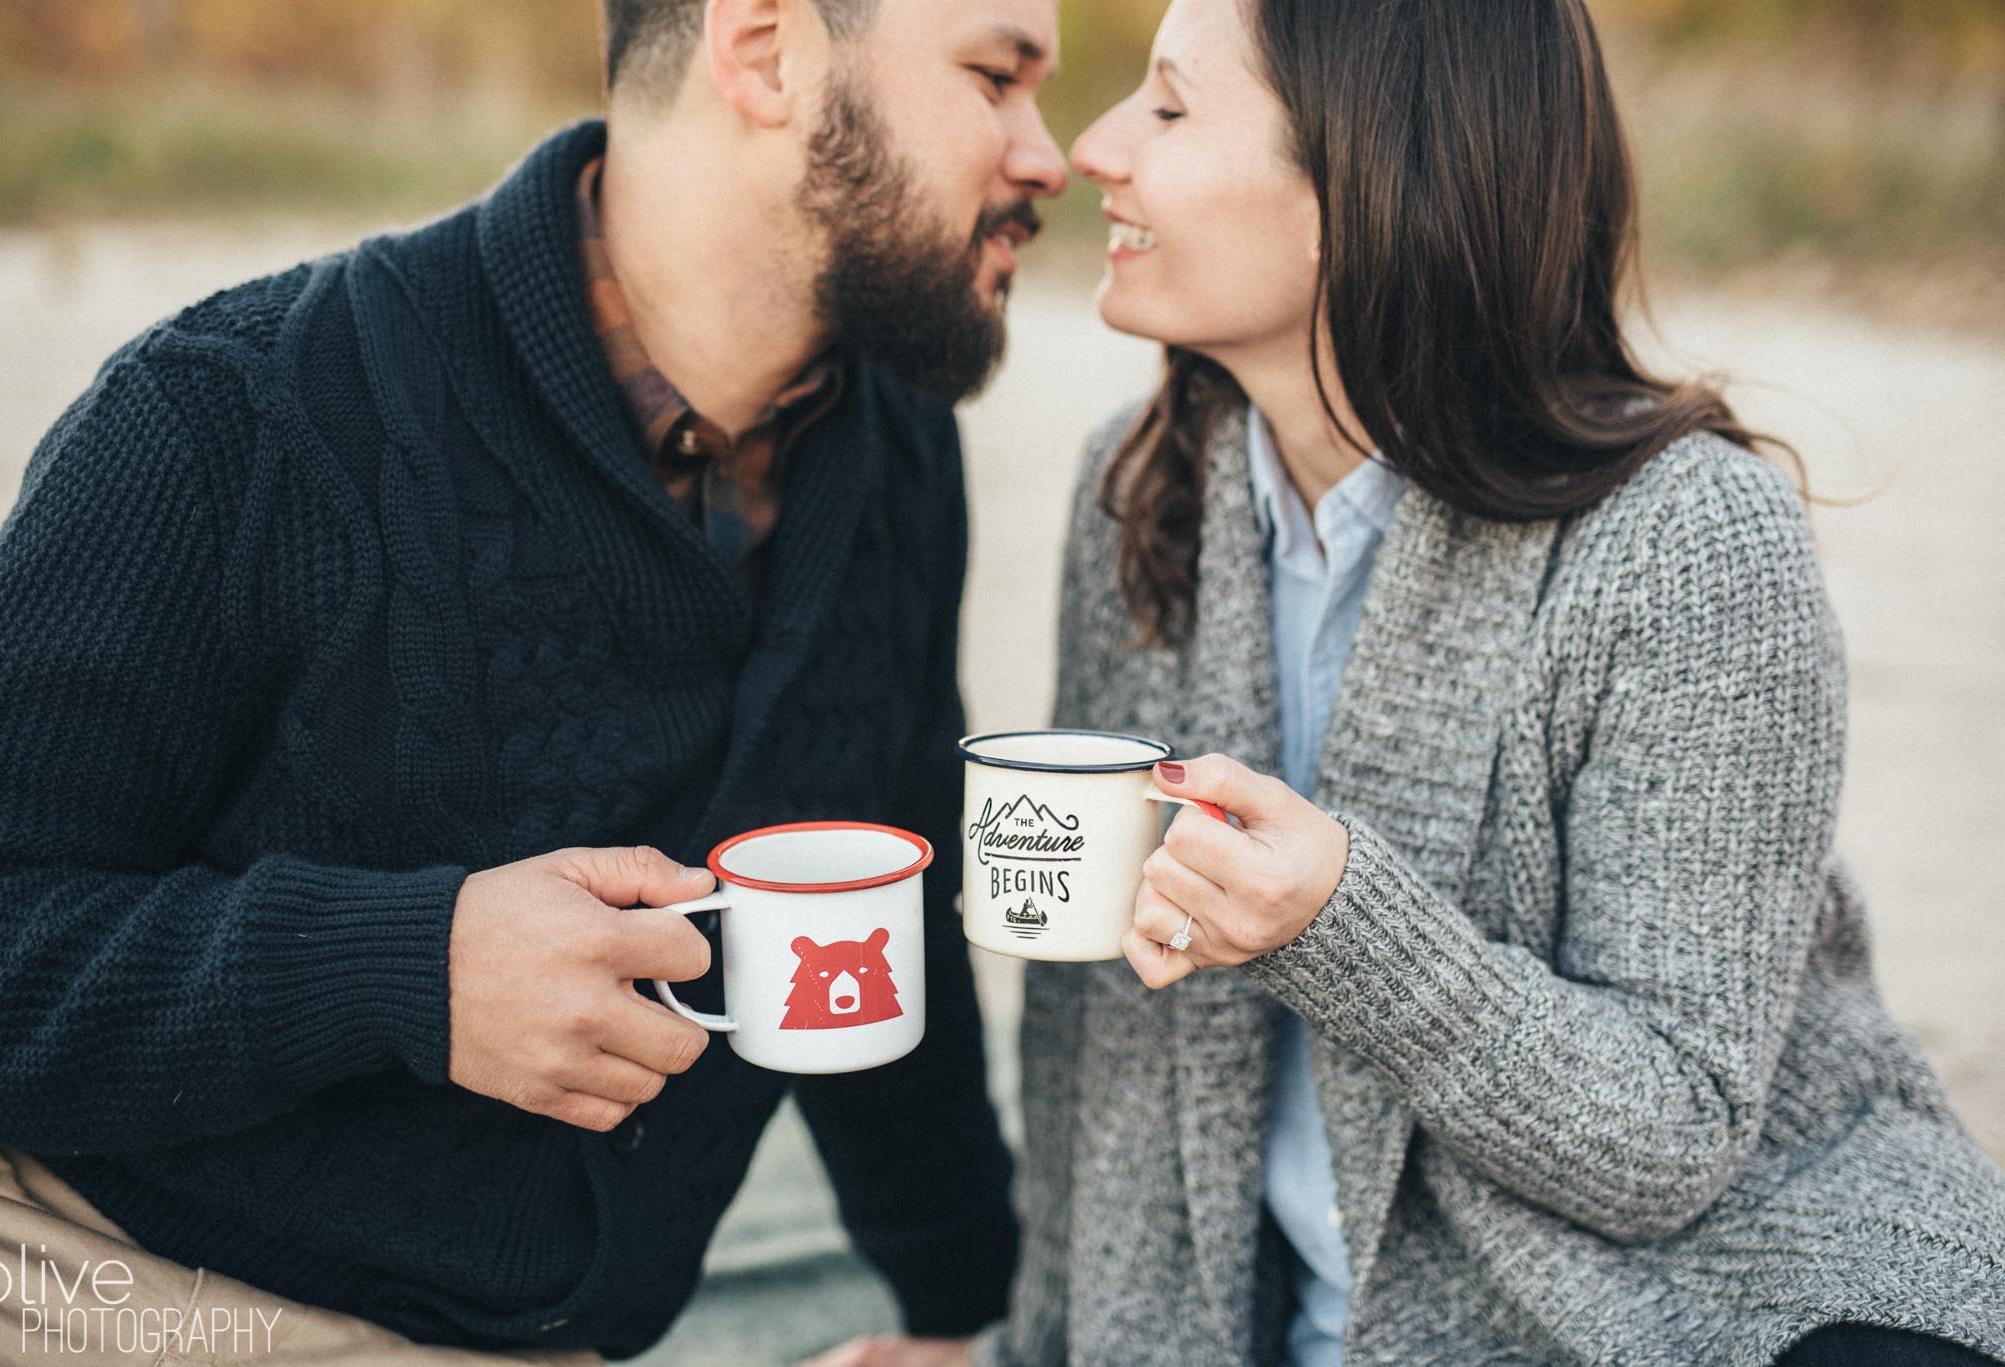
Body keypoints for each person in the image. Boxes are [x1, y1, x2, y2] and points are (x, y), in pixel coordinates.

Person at [820, 0, 2005, 1364]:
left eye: (1170, 105)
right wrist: (1030, 1349)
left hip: (1716, 1302)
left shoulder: (1689, 539)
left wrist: (1336, 922)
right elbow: (1103, 1037)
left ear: (1360, 180)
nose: (1095, 148)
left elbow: (1669, 1138)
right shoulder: (1140, 492)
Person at [0, 0, 1068, 1361]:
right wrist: (405, 969)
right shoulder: (231, 415)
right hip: (68, 1257)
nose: (1048, 155)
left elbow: (876, 932)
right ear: (766, 52)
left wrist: (981, 1325)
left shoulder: (894, 456)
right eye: (998, 78)